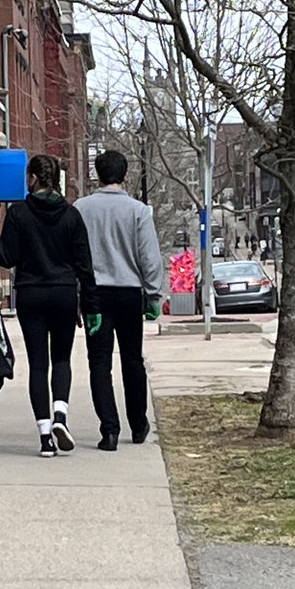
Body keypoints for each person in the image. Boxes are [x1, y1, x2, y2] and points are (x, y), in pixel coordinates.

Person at [0, 154, 99, 457]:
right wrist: (91, 305)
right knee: (61, 359)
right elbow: (85, 266)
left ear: (32, 178)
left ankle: (45, 437)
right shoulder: (72, 216)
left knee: (38, 364)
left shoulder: (19, 214)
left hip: (31, 293)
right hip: (63, 293)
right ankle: (61, 416)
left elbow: (6, 257)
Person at [74, 149, 163, 451]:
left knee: (99, 362)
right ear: (125, 175)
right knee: (132, 359)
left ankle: (108, 430)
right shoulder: (138, 211)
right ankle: (138, 424)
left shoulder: (81, 209)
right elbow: (149, 258)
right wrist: (153, 295)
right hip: (128, 292)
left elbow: (74, 256)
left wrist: (78, 295)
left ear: (97, 173)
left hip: (94, 294)